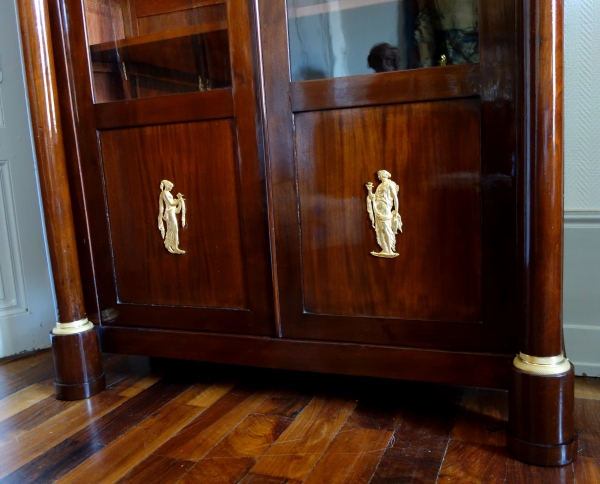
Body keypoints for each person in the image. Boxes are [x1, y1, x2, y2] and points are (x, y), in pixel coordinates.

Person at [366, 170, 402, 258]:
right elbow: (373, 198)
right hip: (378, 211)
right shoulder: (379, 186)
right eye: (378, 175)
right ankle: (384, 249)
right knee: (380, 230)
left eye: (379, 175)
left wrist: (396, 211)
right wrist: (370, 190)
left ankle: (389, 249)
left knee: (385, 229)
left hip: (385, 210)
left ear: (383, 175)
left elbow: (395, 198)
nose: (378, 177)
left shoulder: (390, 184)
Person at [158, 180, 186, 254]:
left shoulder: (168, 193)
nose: (171, 188)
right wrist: (179, 200)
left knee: (174, 229)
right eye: (170, 187)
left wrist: (179, 201)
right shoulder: (164, 193)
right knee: (172, 228)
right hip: (169, 212)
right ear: (167, 186)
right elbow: (171, 203)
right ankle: (169, 245)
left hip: (172, 212)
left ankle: (174, 246)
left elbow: (176, 209)